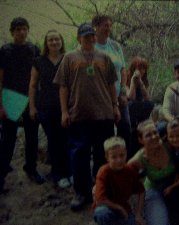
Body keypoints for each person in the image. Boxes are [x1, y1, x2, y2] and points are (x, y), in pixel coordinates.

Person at [53, 23, 120, 210]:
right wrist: (64, 111)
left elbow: (111, 85)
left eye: (91, 35)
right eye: (85, 36)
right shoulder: (69, 58)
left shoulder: (104, 57)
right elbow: (63, 87)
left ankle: (101, 190)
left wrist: (115, 107)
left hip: (103, 114)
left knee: (102, 155)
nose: (89, 39)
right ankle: (81, 192)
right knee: (79, 155)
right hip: (78, 114)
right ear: (78, 38)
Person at [0, 17, 44, 192]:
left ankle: (31, 168)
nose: (22, 32)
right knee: (8, 139)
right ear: (12, 32)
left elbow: (39, 76)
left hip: (31, 98)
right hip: (11, 98)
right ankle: (1, 174)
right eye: (18, 29)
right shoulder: (5, 50)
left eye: (24, 29)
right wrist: (1, 106)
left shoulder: (34, 49)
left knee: (32, 136)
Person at [28, 30, 71, 188]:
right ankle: (58, 174)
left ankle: (69, 172)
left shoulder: (68, 58)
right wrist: (32, 107)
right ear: (46, 43)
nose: (54, 42)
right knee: (54, 141)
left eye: (57, 39)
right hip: (46, 107)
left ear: (61, 41)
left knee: (67, 139)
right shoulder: (38, 61)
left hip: (67, 106)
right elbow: (32, 86)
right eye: (50, 40)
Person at [92, 15, 131, 156]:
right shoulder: (90, 46)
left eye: (110, 25)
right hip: (101, 98)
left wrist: (123, 91)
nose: (108, 28)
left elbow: (123, 70)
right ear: (95, 26)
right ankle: (106, 165)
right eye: (105, 25)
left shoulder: (115, 45)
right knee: (105, 133)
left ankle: (125, 162)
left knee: (125, 127)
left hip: (119, 95)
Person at [128, 119, 175, 225]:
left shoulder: (169, 145)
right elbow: (119, 173)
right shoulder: (138, 159)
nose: (154, 137)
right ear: (141, 140)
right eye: (148, 135)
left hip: (175, 187)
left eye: (155, 132)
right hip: (154, 191)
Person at [92, 136, 145, 225]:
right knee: (102, 213)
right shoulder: (103, 171)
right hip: (108, 208)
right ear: (107, 157)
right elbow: (100, 199)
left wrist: (138, 213)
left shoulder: (129, 170)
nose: (119, 160)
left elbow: (141, 191)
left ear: (126, 153)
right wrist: (119, 208)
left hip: (124, 209)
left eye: (122, 155)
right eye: (114, 157)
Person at [127, 56, 154, 154]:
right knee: (131, 104)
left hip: (141, 110)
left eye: (144, 68)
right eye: (139, 68)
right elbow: (131, 97)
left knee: (149, 104)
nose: (142, 71)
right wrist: (133, 82)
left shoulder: (144, 81)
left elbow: (148, 99)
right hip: (130, 111)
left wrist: (141, 83)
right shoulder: (126, 78)